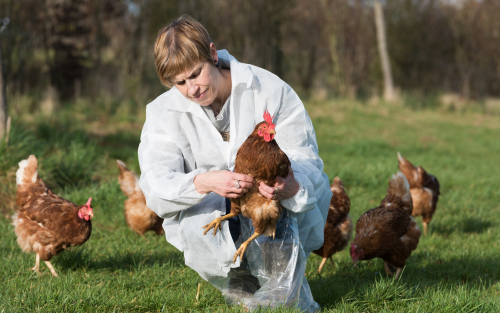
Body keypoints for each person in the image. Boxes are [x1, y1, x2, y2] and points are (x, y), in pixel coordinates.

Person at [138, 15, 332, 312]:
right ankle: (246, 290)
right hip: (214, 208)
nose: (192, 89)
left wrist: (292, 185)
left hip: (271, 207)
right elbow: (154, 182)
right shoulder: (162, 113)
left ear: (213, 55)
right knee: (205, 225)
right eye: (180, 82)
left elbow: (305, 155)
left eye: (196, 73)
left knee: (274, 222)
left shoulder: (268, 89)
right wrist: (201, 182)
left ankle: (285, 296)